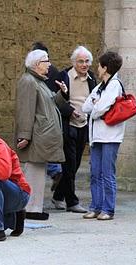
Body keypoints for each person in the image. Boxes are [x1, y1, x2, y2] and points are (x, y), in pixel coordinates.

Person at [15, 49, 67, 220]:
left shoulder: (39, 81)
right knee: (33, 172)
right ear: (37, 64)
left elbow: (51, 102)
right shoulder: (28, 81)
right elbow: (25, 110)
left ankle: (35, 207)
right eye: (46, 61)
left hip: (41, 135)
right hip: (36, 135)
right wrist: (24, 135)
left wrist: (62, 93)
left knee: (38, 172)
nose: (49, 64)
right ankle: (30, 207)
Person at [51, 46, 97, 212]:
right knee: (69, 164)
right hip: (68, 125)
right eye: (80, 61)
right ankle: (72, 202)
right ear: (74, 62)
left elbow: (93, 98)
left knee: (75, 164)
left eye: (87, 61)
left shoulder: (92, 78)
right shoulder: (64, 76)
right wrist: (71, 111)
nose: (84, 64)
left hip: (84, 125)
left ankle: (57, 196)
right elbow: (55, 101)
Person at [82, 51, 124, 220]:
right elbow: (86, 107)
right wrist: (97, 106)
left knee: (107, 173)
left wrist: (96, 106)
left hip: (111, 136)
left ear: (105, 68)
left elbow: (99, 109)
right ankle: (96, 207)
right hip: (96, 136)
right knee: (95, 173)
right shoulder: (100, 87)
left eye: (99, 65)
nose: (97, 68)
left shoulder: (115, 85)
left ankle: (108, 209)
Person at [32, 42, 63, 192]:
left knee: (42, 148)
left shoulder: (33, 76)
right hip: (51, 115)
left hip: (43, 115)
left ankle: (54, 170)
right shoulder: (53, 71)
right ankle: (55, 169)